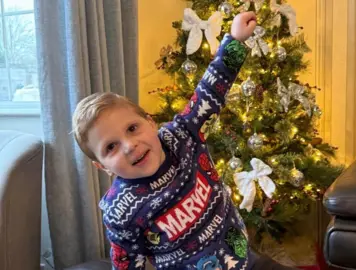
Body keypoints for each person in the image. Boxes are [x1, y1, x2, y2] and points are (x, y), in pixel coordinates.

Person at [72, 11, 297, 270]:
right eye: (110, 147)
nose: (129, 145)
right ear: (103, 167)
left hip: (243, 256)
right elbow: (126, 263)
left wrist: (235, 40)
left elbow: (209, 93)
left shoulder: (181, 135)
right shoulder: (120, 210)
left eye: (132, 128)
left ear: (150, 122)